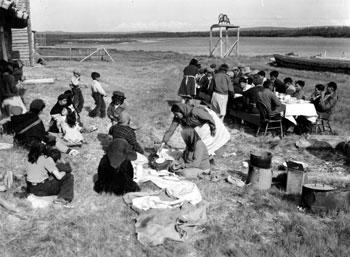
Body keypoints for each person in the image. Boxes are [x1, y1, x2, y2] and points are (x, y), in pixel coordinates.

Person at [8, 99, 78, 155]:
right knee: (53, 140)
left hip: (18, 143)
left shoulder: (21, 117)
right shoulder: (37, 121)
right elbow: (42, 136)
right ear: (40, 110)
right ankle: (69, 151)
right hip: (31, 146)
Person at [162, 103, 230, 156]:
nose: (176, 116)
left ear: (182, 111)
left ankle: (216, 152)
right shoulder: (177, 118)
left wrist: (213, 128)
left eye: (177, 114)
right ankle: (207, 153)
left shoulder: (195, 111)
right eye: (174, 115)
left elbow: (209, 118)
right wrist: (164, 142)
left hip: (209, 121)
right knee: (197, 144)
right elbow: (171, 129)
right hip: (198, 124)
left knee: (212, 139)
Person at [26, 142, 74, 206]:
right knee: (69, 176)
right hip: (41, 189)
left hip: (31, 188)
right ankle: (63, 199)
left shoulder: (29, 158)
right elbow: (59, 177)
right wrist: (65, 171)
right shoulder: (46, 159)